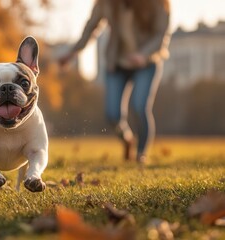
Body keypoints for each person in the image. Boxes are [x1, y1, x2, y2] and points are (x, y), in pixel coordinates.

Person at [59, 0, 170, 163]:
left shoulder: (158, 3)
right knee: (112, 114)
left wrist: (143, 54)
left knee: (139, 107)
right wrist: (72, 52)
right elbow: (91, 28)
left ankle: (141, 154)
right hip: (117, 62)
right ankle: (127, 139)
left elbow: (161, 34)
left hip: (146, 63)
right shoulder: (106, 3)